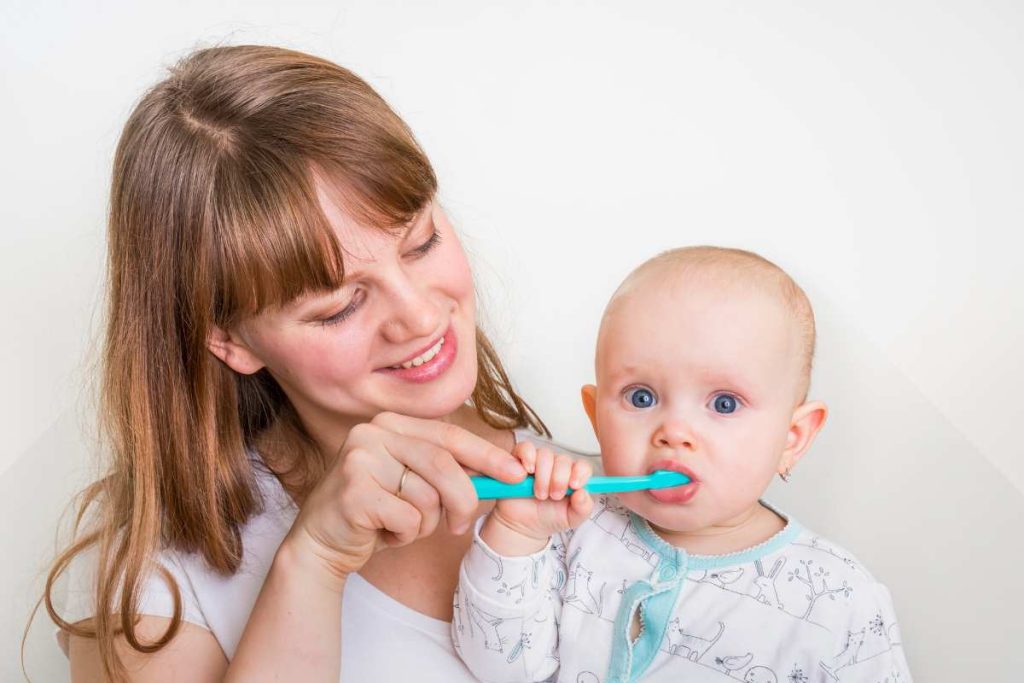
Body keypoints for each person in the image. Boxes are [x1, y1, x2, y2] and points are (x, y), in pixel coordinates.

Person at [39, 44, 589, 682]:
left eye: (421, 242)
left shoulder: (592, 489)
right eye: (339, 306)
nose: (417, 315)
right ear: (231, 341)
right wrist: (314, 562)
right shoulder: (160, 579)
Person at [452, 246, 914, 682]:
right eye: (641, 397)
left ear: (792, 440)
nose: (674, 431)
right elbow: (500, 669)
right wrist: (517, 534)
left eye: (725, 404)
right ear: (597, 419)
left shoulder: (838, 598)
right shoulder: (569, 529)